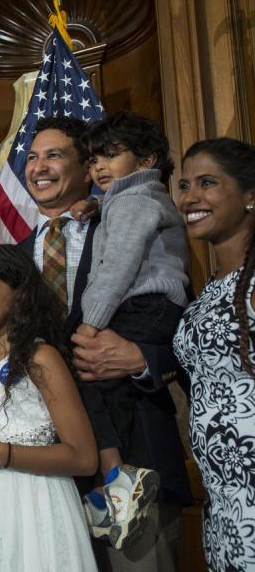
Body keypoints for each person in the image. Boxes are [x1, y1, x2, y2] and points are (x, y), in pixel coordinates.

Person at [19, 116, 191, 570]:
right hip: (41, 467)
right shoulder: (7, 260)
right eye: (32, 156)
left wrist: (144, 359)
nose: (39, 166)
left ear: (84, 168)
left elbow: (189, 324)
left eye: (55, 155)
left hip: (134, 454)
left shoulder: (124, 223)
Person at [0, 244, 98, 571]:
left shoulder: (40, 358)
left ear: (19, 291)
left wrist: (2, 453)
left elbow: (84, 458)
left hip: (36, 504)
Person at [73, 112, 190, 547]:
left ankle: (120, 481)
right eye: (93, 159)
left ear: (147, 160)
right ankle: (115, 479)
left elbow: (117, 266)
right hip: (142, 306)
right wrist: (98, 204)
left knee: (99, 380)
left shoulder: (134, 203)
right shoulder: (126, 201)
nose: (98, 166)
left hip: (143, 310)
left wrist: (91, 323)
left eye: (110, 155)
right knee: (96, 384)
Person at [173, 138, 255, 571]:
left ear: (249, 195)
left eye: (208, 183)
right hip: (223, 497)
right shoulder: (209, 290)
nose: (190, 197)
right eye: (184, 185)